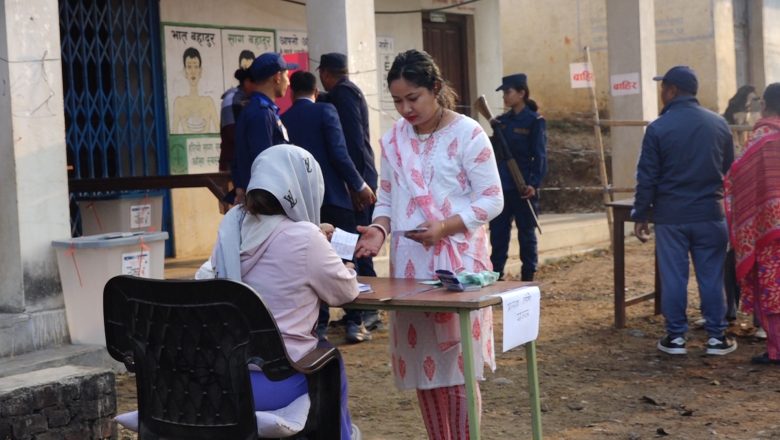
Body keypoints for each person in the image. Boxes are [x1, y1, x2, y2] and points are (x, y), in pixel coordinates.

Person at [355, 49, 503, 439]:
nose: (405, 109)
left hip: (456, 269)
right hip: (410, 269)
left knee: (456, 369)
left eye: (413, 98)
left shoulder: (467, 133)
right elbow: (386, 199)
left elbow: (492, 199)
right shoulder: (394, 141)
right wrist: (379, 231)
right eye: (397, 101)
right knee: (425, 367)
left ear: (436, 88)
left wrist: (446, 227)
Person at [211, 144, 360, 438]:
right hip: (278, 380)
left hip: (224, 377)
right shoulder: (305, 238)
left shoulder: (230, 229)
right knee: (330, 359)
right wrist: (346, 265)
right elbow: (345, 292)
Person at [632, 65, 736, 356]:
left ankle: (676, 338)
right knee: (711, 276)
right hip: (710, 214)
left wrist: (641, 213)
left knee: (674, 276)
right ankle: (717, 338)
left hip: (672, 217)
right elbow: (728, 167)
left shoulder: (658, 128)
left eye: (663, 88)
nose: (662, 93)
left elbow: (647, 176)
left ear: (673, 90)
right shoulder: (719, 124)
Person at [282, 71, 377, 342]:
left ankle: (319, 326)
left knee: (311, 264)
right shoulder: (326, 112)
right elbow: (339, 153)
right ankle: (355, 321)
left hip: (304, 207)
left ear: (292, 92)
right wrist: (359, 184)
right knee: (346, 258)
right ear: (316, 90)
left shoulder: (284, 119)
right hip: (335, 200)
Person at [318, 52, 380, 338]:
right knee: (352, 245)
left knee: (357, 246)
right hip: (358, 178)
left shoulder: (342, 95)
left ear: (327, 73)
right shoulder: (347, 92)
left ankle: (367, 310)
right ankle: (360, 310)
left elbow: (351, 142)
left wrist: (356, 186)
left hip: (357, 181)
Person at [724, 82, 780, 365]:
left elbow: (737, 179)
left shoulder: (761, 140)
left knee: (772, 285)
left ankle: (777, 350)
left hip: (768, 231)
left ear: (763, 105)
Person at [488, 73, 547, 281]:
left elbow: (539, 155)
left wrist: (533, 183)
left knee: (526, 234)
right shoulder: (502, 122)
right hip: (502, 186)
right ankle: (496, 275)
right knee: (498, 235)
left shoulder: (534, 121)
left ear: (521, 93)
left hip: (522, 186)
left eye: (508, 92)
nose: (505, 96)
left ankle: (528, 276)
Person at [231, 52, 297, 204]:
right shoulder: (262, 113)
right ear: (277, 77)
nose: (288, 82)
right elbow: (265, 162)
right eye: (287, 76)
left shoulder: (257, 110)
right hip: (266, 201)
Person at [171, 47, 218, 134]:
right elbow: (174, 134)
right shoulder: (179, 103)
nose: (193, 71)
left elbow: (219, 132)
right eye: (189, 67)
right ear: (185, 71)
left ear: (200, 71)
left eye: (196, 66)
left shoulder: (208, 102)